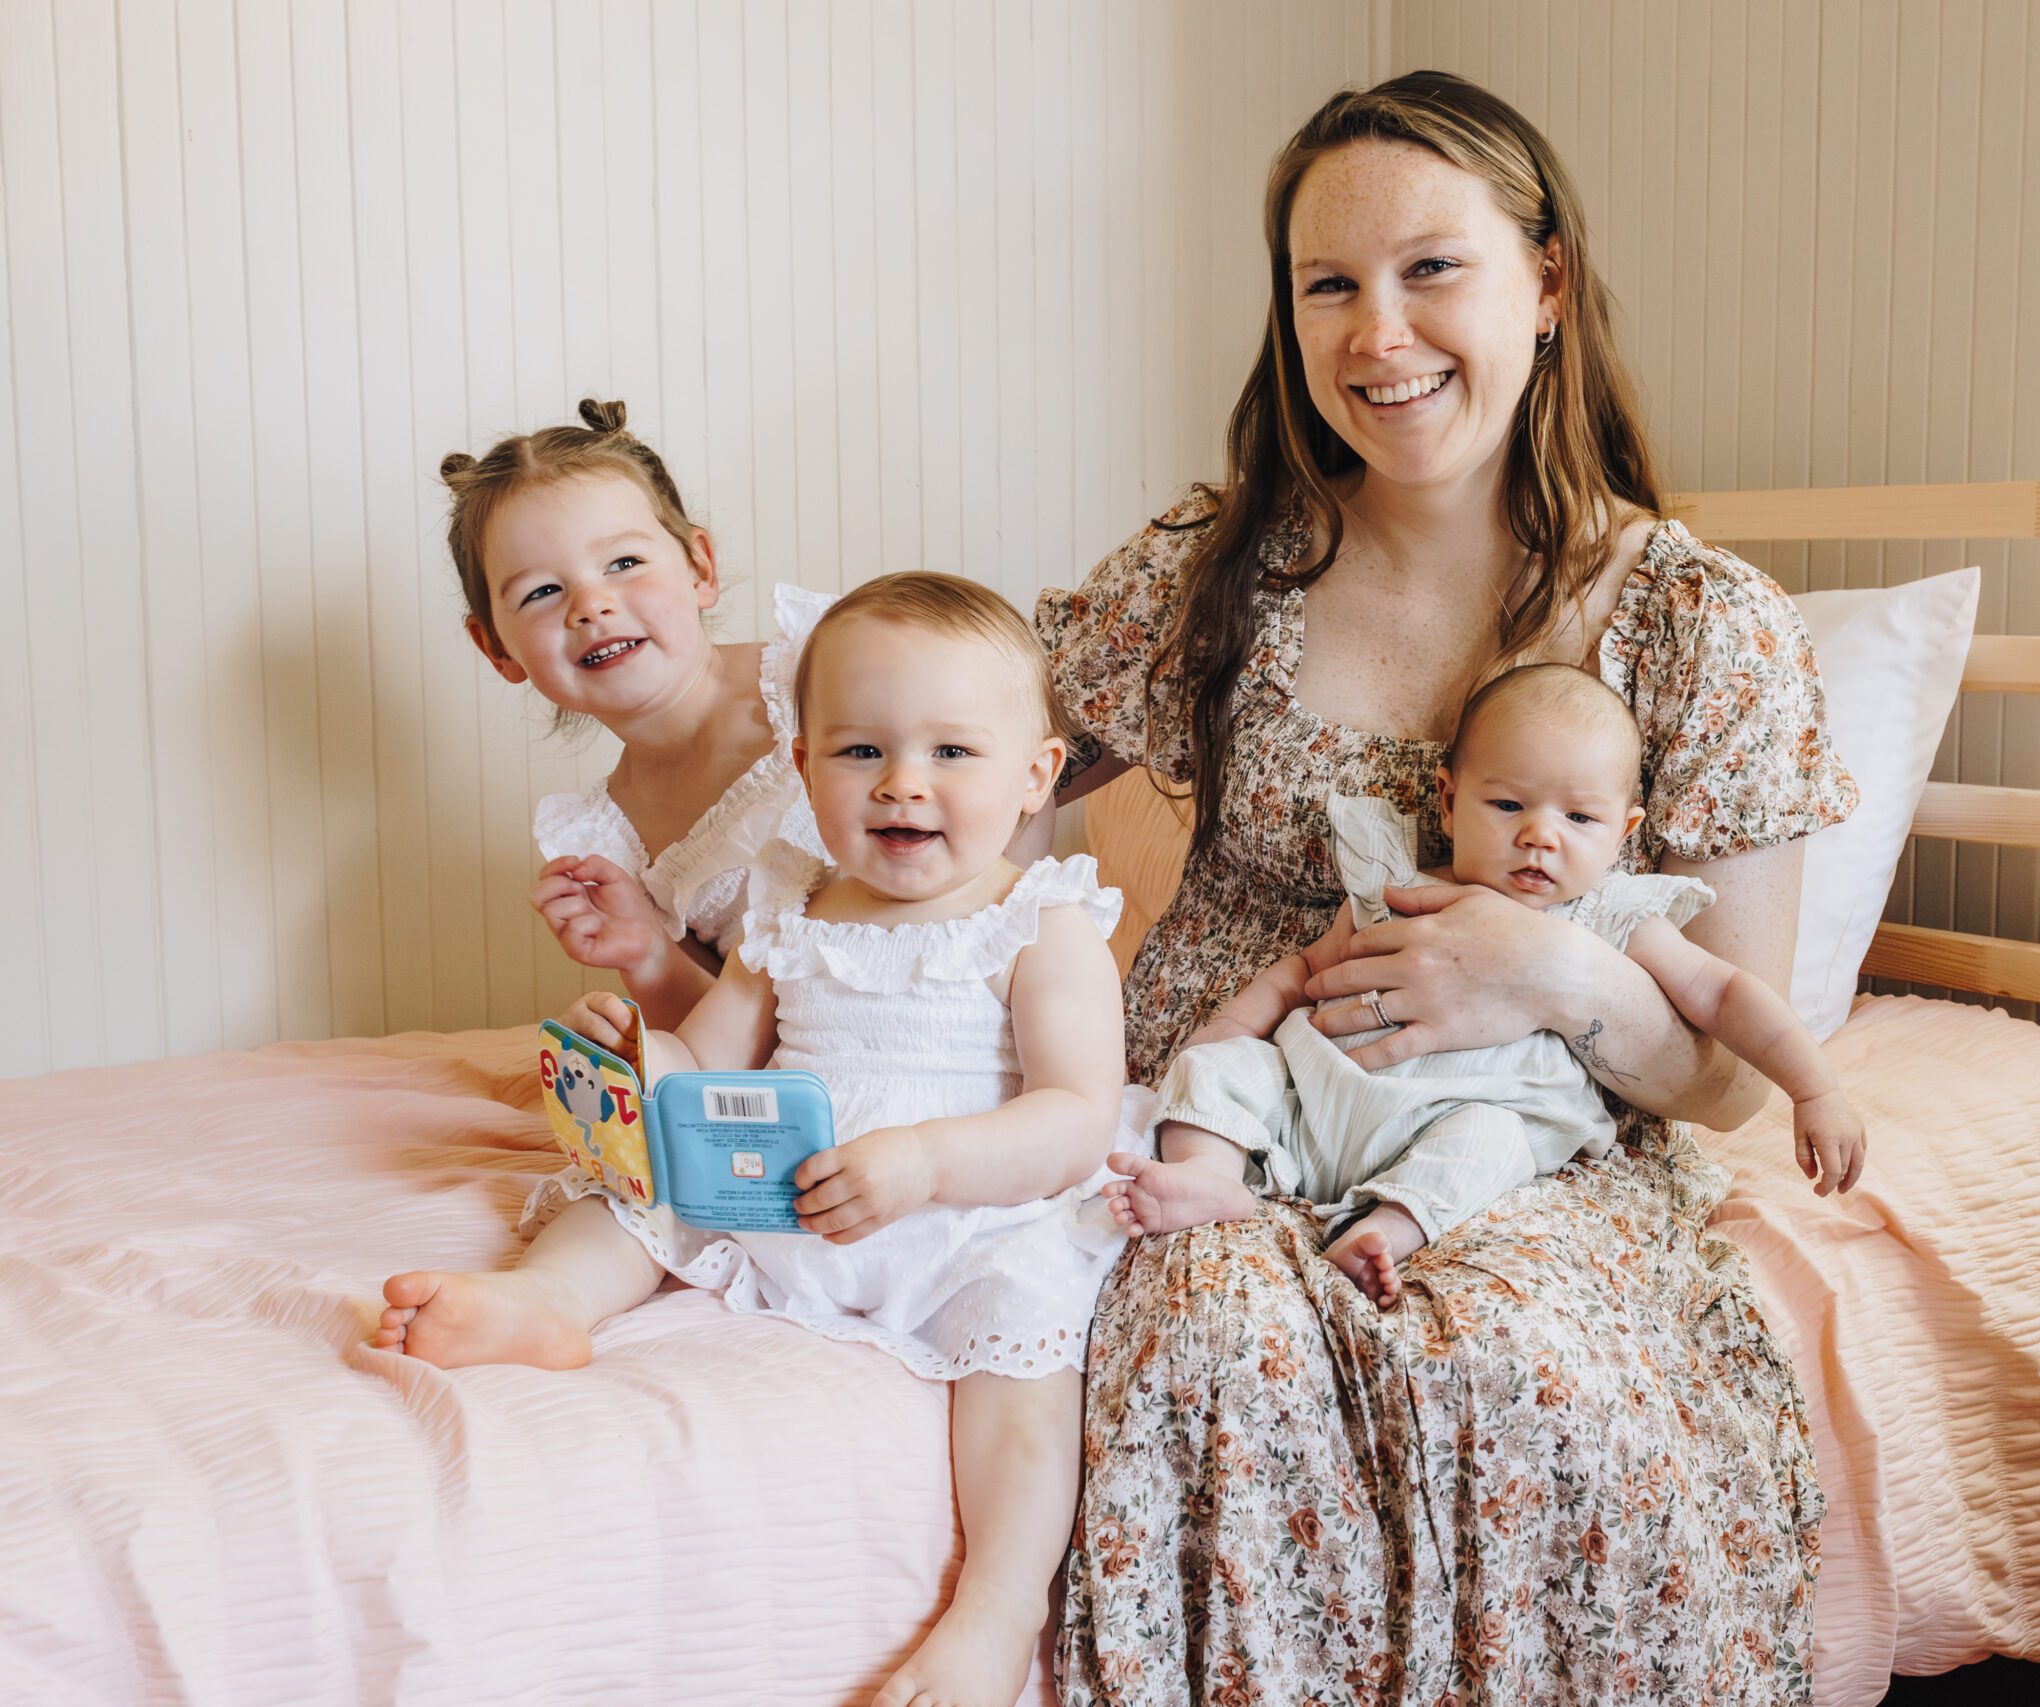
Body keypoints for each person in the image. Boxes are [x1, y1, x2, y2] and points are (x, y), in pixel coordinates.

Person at [1035, 70, 1857, 1702]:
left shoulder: (1707, 625)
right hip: (1235, 1117)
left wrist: (1544, 973)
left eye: (1431, 269)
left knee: (1532, 1373)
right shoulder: (1217, 570)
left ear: (1546, 283)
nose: (1376, 332)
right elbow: (962, 772)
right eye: (1327, 283)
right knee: (1214, 1330)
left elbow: (1720, 1076)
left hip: (1536, 1143)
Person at [377, 574, 1132, 1707]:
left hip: (967, 1223)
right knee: (640, 1195)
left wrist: (926, 1162)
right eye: (860, 751)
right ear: (800, 766)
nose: (903, 785)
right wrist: (639, 1063)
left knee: (1028, 1362)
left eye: (951, 755)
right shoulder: (794, 906)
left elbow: (1074, 1119)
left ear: (1036, 775)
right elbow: (713, 1059)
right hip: (792, 1201)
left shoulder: (1042, 922)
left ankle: (996, 1605)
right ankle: (548, 1303)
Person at [1104, 663, 1867, 1307]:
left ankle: (1387, 1230)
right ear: (1447, 799)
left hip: (1451, 1120)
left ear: (1624, 833)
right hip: (1312, 1104)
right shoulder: (1394, 885)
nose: (1541, 833)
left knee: (1494, 1146)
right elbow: (1301, 971)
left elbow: (1726, 994)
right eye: (1508, 805)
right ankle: (1210, 1179)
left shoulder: (1611, 916)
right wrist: (1229, 1032)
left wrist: (1815, 1087)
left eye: (1580, 816)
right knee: (1215, 1071)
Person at [439, 398, 828, 1029]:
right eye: (542, 592)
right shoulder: (611, 845)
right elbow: (725, 1041)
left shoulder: (823, 673)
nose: (590, 605)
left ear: (700, 567)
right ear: (496, 649)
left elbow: (1004, 776)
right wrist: (649, 957)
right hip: (823, 1076)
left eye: (624, 563)